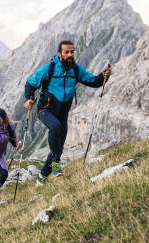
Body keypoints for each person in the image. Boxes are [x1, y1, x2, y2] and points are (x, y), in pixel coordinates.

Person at [24, 40, 112, 186]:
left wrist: (105, 75)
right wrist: (29, 99)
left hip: (63, 113)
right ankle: (56, 163)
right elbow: (30, 84)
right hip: (45, 110)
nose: (70, 54)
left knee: (58, 145)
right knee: (55, 128)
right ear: (59, 54)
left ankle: (42, 176)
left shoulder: (76, 70)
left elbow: (94, 82)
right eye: (67, 52)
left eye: (72, 51)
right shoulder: (48, 69)